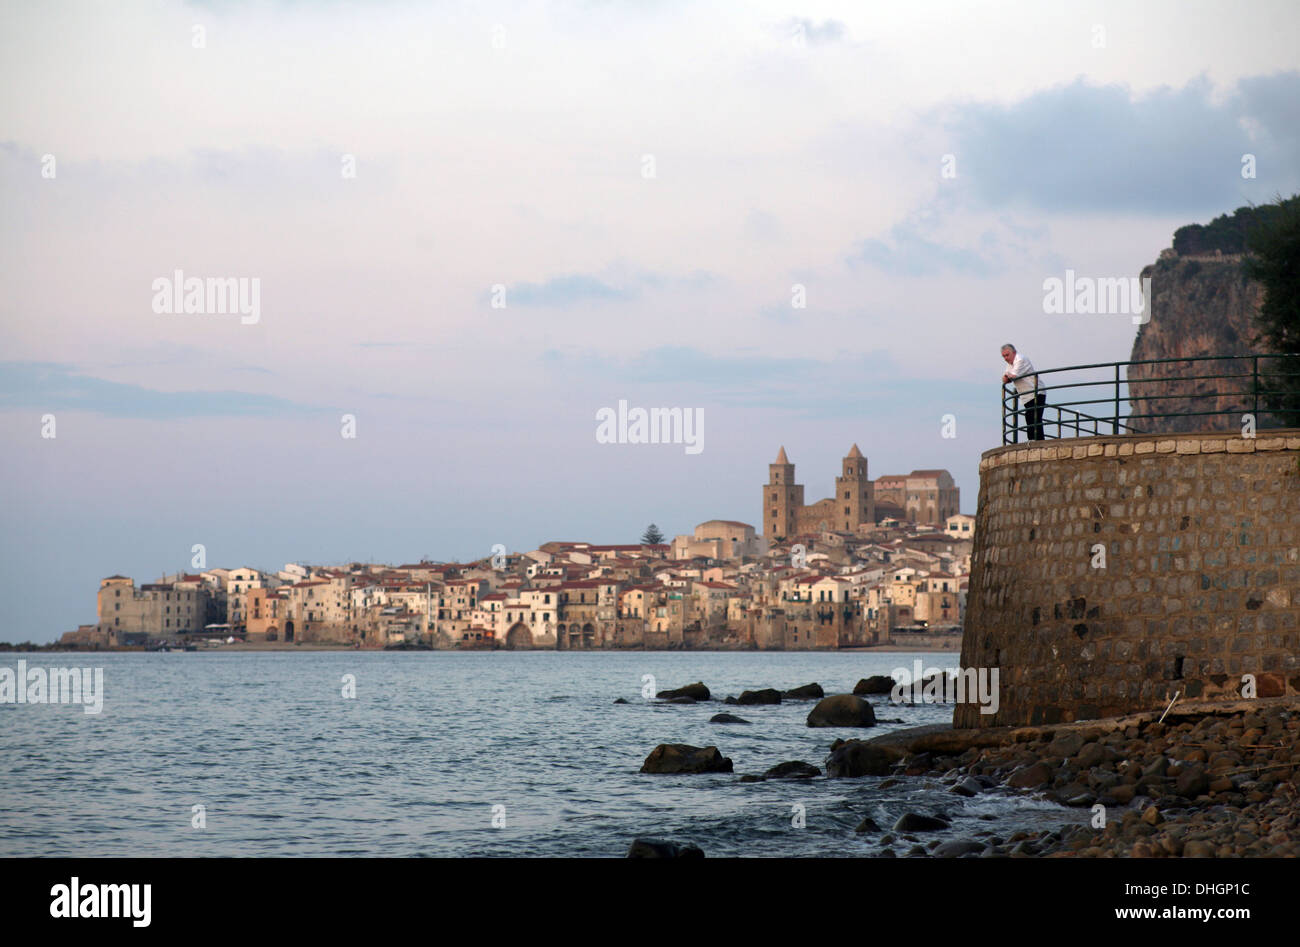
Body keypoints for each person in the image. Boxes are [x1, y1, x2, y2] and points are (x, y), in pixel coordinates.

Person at [1001, 343, 1045, 440]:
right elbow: (1005, 379)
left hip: (1036, 392)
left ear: (1014, 352)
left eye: (1007, 355)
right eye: (1003, 356)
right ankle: (1034, 441)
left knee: (1034, 417)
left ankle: (1037, 442)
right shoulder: (1010, 364)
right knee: (1030, 417)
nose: (1005, 358)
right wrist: (1008, 376)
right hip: (1027, 395)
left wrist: (1008, 376)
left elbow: (1013, 376)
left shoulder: (1020, 359)